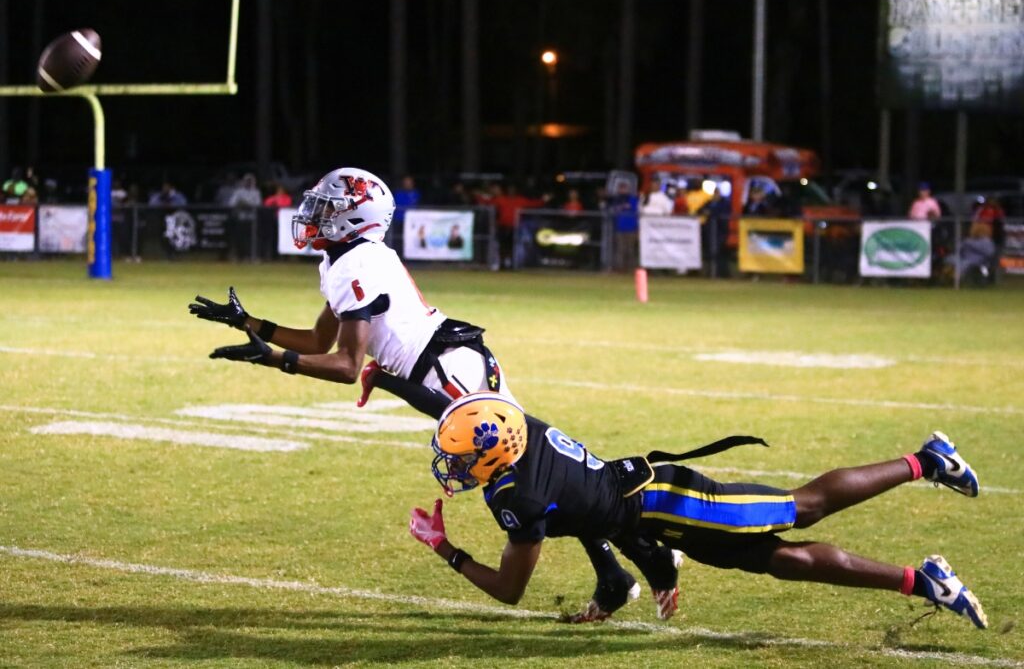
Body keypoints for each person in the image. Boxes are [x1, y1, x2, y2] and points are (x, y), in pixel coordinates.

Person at [189, 166, 654, 620]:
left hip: (444, 372)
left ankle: (635, 555)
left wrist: (272, 359)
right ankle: (616, 569)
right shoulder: (341, 258)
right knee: (539, 468)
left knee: (521, 479)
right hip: (446, 361)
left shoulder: (358, 263)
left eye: (326, 207)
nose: (314, 213)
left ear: (357, 216)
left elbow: (347, 365)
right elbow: (318, 342)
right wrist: (252, 324)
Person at [369, 376, 987, 630]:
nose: (453, 465)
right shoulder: (515, 423)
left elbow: (509, 589)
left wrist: (443, 547)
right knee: (783, 561)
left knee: (805, 507)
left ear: (494, 454)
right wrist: (391, 379)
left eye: (462, 457)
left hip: (669, 503)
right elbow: (456, 406)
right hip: (654, 515)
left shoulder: (517, 496)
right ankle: (923, 581)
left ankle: (928, 461)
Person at [699, 185, 732, 278]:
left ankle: (721, 273)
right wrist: (706, 211)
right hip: (709, 231)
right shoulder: (709, 202)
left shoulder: (725, 203)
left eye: (717, 193)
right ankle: (711, 272)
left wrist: (711, 212)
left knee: (719, 252)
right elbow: (700, 210)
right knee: (709, 252)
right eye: (714, 193)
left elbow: (724, 213)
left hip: (720, 231)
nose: (716, 195)